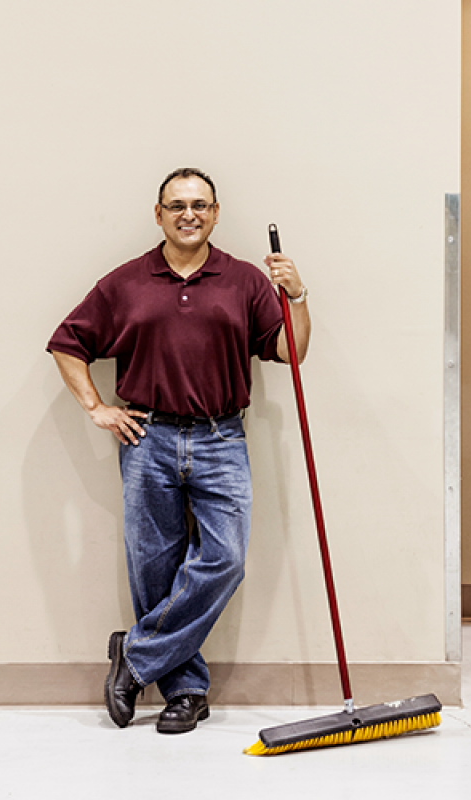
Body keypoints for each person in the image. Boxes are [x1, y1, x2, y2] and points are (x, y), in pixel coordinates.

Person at [47, 167, 310, 734]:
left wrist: (298, 295)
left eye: (199, 205)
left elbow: (290, 350)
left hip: (221, 437)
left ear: (215, 213)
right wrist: (98, 408)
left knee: (226, 560)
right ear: (159, 214)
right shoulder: (124, 283)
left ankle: (135, 655)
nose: (188, 214)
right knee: (155, 569)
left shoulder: (242, 280)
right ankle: (186, 692)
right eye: (176, 205)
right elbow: (68, 344)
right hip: (148, 438)